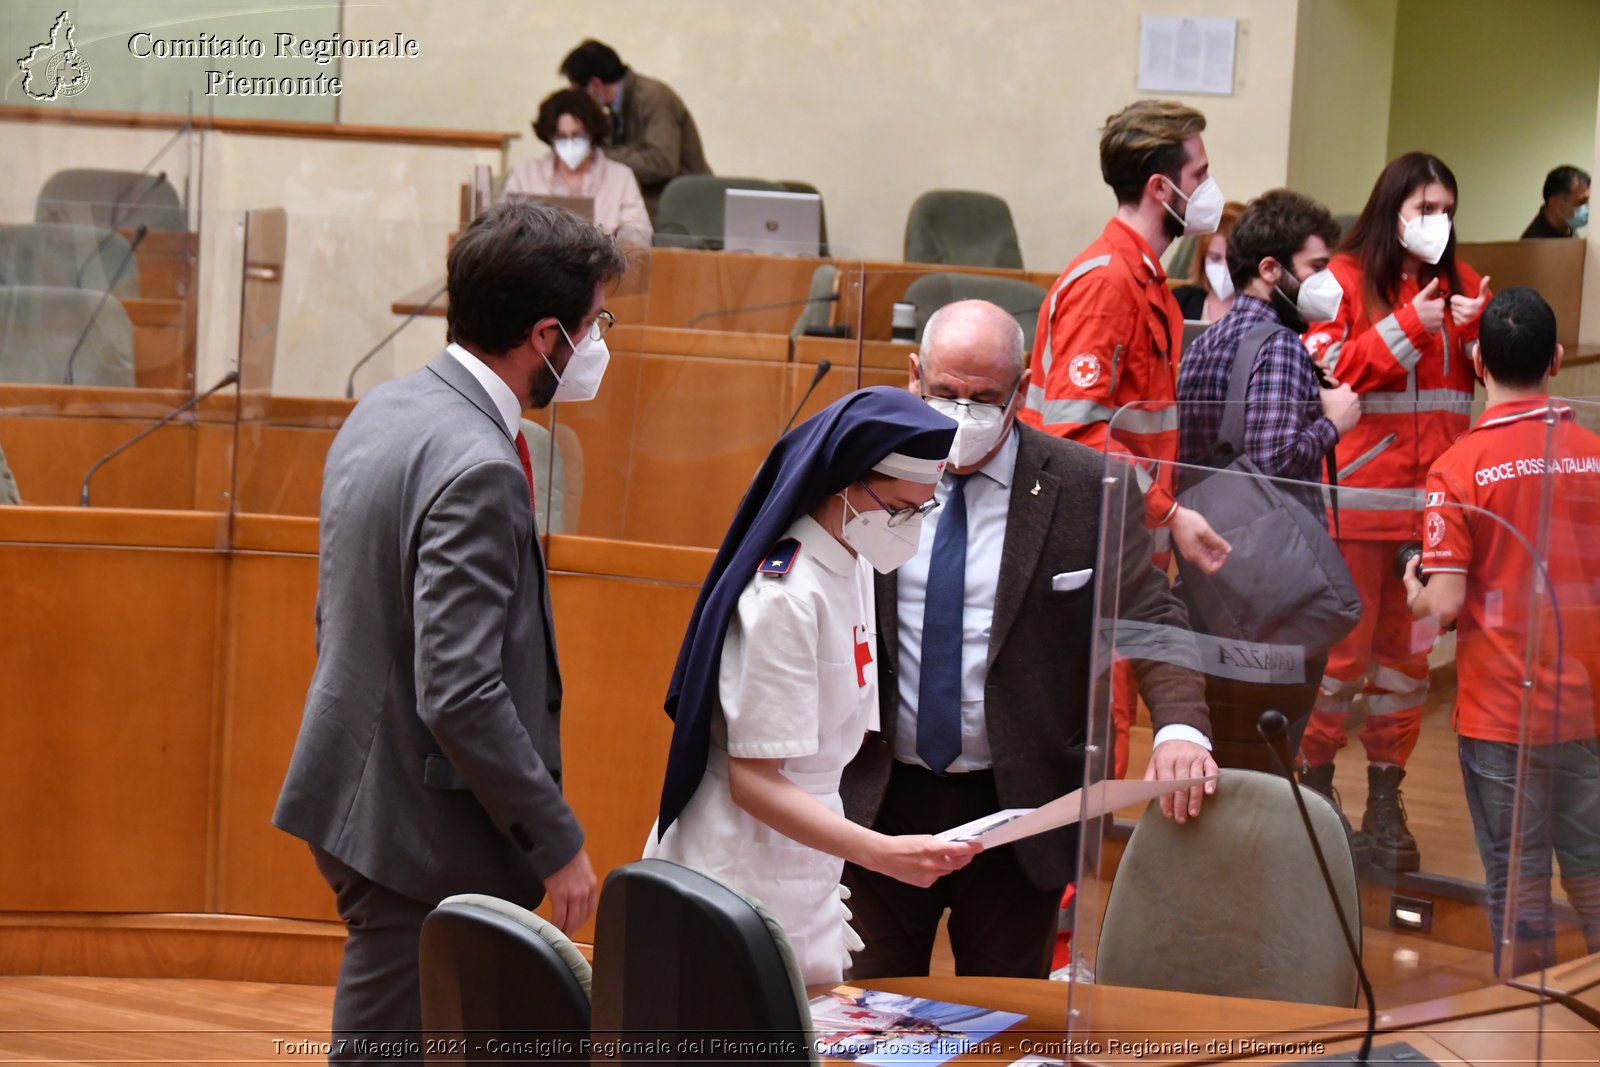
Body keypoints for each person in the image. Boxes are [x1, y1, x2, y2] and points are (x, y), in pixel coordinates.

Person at [272, 201, 628, 1064]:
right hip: (417, 831)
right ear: (546, 335)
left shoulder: (385, 408)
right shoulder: (476, 465)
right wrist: (558, 840)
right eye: (593, 325)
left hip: (364, 788)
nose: (598, 344)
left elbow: (345, 613)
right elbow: (460, 688)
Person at [842, 300, 1217, 980]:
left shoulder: (1086, 486)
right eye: (945, 393)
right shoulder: (860, 474)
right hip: (881, 799)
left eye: (986, 397)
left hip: (1019, 810)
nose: (963, 412)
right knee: (869, 1016)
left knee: (1006, 1023)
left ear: (1022, 388)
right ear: (914, 377)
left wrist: (1181, 729)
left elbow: (1150, 611)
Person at [647, 386, 981, 987]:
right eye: (903, 508)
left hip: (807, 850)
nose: (910, 528)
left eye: (922, 511)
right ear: (848, 484)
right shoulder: (785, 595)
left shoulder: (849, 561)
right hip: (741, 859)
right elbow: (754, 781)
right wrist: (882, 853)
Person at [1021, 98, 1231, 781]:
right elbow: (1076, 437)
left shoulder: (1146, 279)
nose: (1207, 189)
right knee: (1087, 753)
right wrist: (1169, 510)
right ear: (1159, 188)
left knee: (1103, 750)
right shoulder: (1109, 282)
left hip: (1124, 546)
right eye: (1199, 174)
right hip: (1089, 548)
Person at [1299, 152, 1489, 872]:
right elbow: (1333, 373)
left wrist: (1478, 334)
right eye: (1424, 209)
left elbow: (1486, 379)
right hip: (1353, 514)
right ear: (1391, 211)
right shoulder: (1337, 281)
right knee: (1339, 665)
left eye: (1448, 209)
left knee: (1407, 668)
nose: (1438, 223)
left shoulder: (1466, 284)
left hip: (1430, 517)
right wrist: (1414, 322)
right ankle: (1316, 794)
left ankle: (1385, 796)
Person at [1405, 286, 1600, 975]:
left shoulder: (1456, 468)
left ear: (1478, 360)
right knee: (1592, 871)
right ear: (1555, 358)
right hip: (1585, 703)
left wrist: (1414, 589)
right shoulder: (1595, 453)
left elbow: (1448, 600)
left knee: (1518, 881)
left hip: (1499, 710)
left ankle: (1528, 1018)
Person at [1176, 190, 1361, 772]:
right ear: (1270, 270)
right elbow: (1274, 459)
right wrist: (1333, 424)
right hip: (1271, 586)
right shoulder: (1279, 345)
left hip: (1213, 574)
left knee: (1222, 741)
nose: (1326, 282)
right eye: (1316, 268)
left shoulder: (1206, 339)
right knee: (1264, 757)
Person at [559, 38, 711, 219]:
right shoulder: (614, 110)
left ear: (596, 85)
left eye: (579, 92)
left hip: (684, 211)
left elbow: (661, 163)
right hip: (655, 206)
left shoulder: (654, 98)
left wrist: (598, 154)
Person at [504, 88, 652, 248]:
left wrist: (606, 242)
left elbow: (641, 236)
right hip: (538, 268)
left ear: (592, 133)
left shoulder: (621, 177)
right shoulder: (524, 175)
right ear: (550, 137)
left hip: (602, 267)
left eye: (578, 135)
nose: (570, 143)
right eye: (561, 137)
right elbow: (502, 231)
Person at [1171, 200, 1246, 322]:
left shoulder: (1264, 311)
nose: (1224, 267)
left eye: (1233, 258)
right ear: (1203, 258)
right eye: (1215, 258)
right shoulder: (1181, 301)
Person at [1520, 165, 1590, 239]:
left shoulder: (1566, 227)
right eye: (1581, 202)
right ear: (1554, 203)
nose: (1588, 208)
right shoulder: (1534, 244)